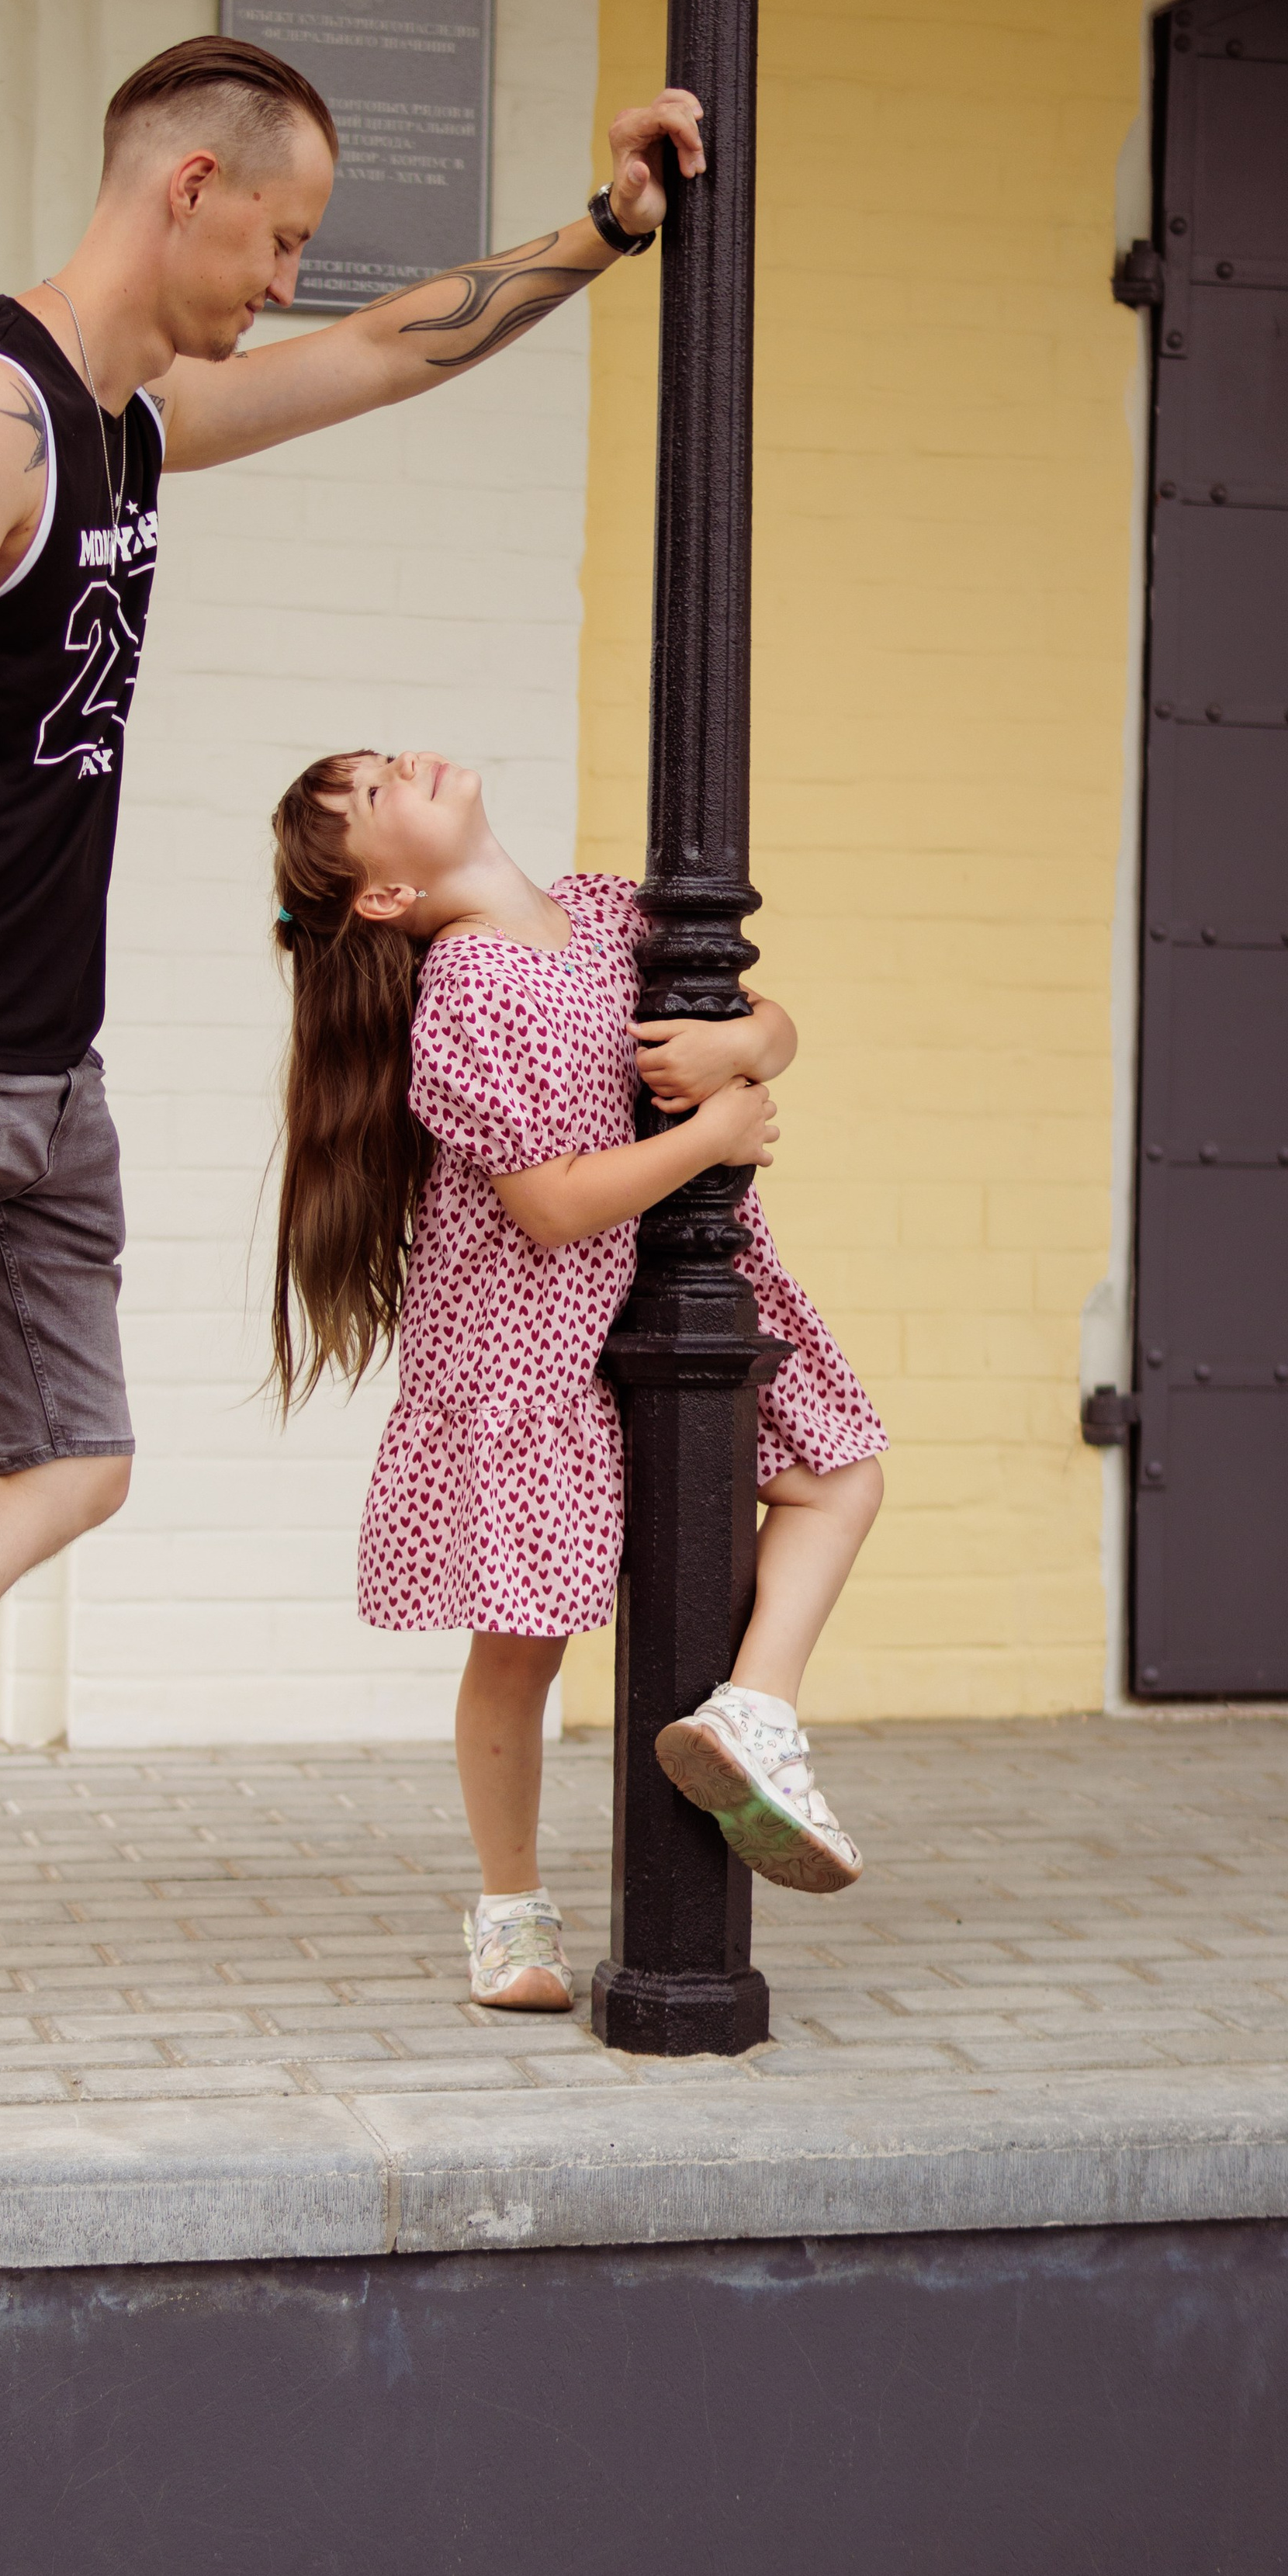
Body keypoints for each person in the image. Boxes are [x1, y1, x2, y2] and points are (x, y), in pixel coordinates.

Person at [0, 33, 712, 2088]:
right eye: (274, 236)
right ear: (183, 187)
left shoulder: (127, 424)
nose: (286, 282)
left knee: (72, 1452)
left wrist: (607, 234)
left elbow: (390, 354)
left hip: (40, 1053)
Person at [268, 747, 887, 2013]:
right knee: (526, 1641)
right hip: (528, 1335)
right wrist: (716, 1133)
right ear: (385, 897)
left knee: (839, 1477)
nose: (409, 768)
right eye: (380, 795)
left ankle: (755, 1713)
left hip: (675, 1290)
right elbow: (548, 1207)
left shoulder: (609, 914)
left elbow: (771, 1017)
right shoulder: (471, 991)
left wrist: (742, 1053)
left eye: (385, 761)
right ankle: (508, 1910)